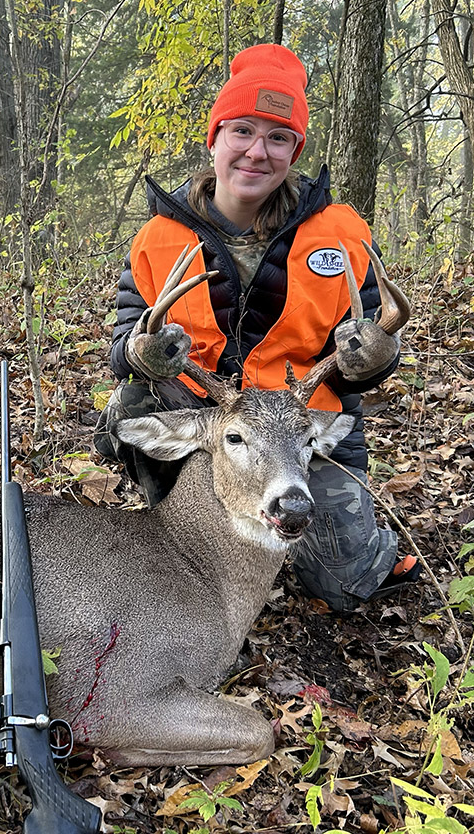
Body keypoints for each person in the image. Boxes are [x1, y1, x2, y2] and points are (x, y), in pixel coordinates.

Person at [95, 43, 419, 612]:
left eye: (277, 138)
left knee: (345, 585)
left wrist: (375, 358)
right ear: (215, 138)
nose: (256, 152)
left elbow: (364, 354)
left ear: (294, 150)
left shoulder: (340, 236)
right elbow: (124, 343)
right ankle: (174, 523)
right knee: (131, 405)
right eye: (241, 131)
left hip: (302, 433)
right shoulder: (160, 239)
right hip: (211, 423)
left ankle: (364, 546)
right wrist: (143, 354)